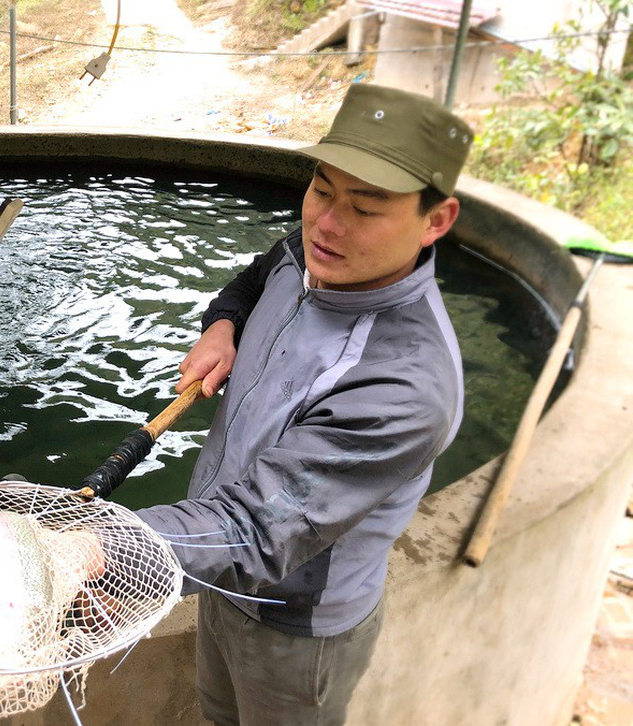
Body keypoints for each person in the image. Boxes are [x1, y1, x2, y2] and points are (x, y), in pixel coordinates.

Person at [133, 83, 474, 725]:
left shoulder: (405, 387)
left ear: (436, 220)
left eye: (366, 208)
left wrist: (105, 548)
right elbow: (256, 276)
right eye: (322, 189)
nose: (326, 225)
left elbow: (259, 529)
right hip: (218, 573)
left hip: (297, 625)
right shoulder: (308, 255)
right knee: (217, 714)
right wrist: (224, 324)